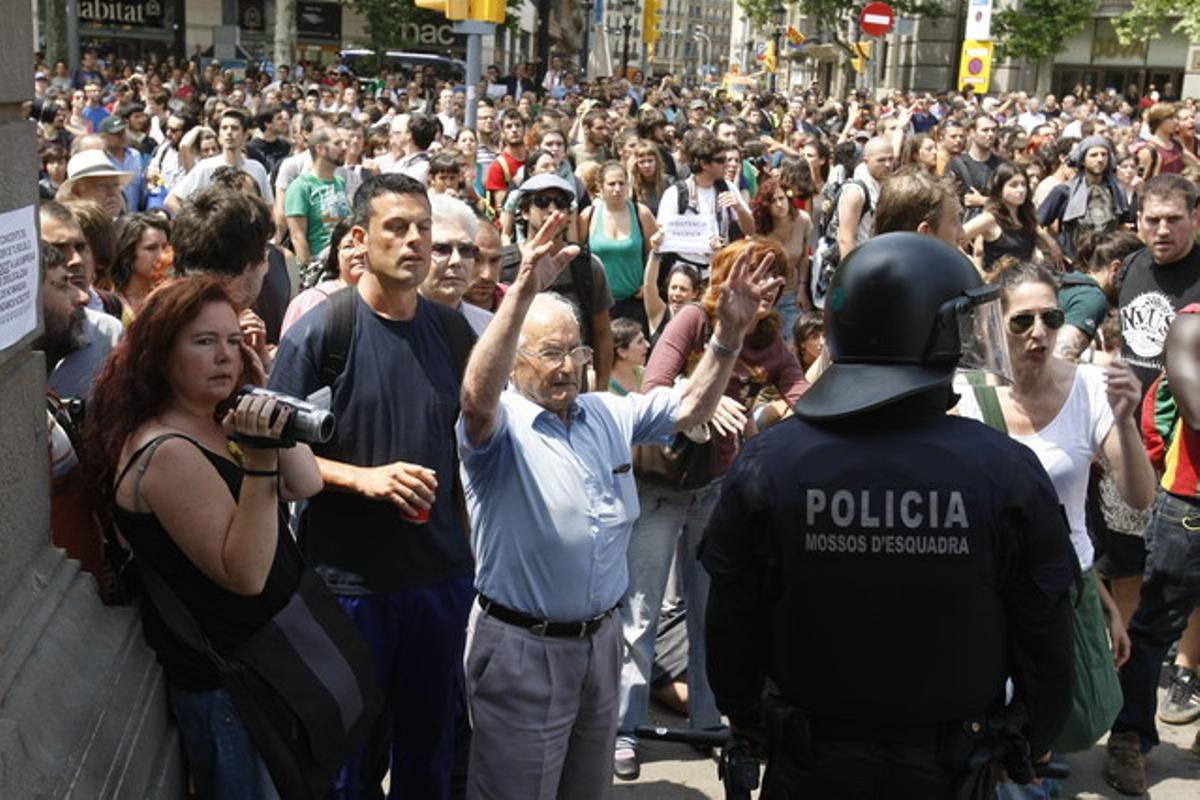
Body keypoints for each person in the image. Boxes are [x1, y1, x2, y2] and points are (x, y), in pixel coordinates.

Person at [703, 232, 1078, 798]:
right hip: (951, 767)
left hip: (809, 760)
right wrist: (1033, 736)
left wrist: (749, 720)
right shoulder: (1004, 470)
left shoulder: (768, 463)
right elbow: (1045, 629)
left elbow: (732, 619)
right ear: (933, 331)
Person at [456, 208, 784, 800]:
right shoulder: (498, 430)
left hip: (599, 647)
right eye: (547, 355)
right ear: (516, 363)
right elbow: (476, 400)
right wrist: (523, 289)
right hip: (524, 652)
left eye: (574, 354)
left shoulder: (606, 412)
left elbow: (689, 410)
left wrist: (729, 335)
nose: (565, 368)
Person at [268, 173, 477, 800]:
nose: (415, 242)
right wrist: (361, 478)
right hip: (349, 589)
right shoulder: (323, 331)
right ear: (360, 237)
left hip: (439, 582)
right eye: (398, 228)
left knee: (430, 753)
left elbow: (476, 445)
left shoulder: (451, 332)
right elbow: (267, 448)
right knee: (348, 762)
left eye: (424, 229)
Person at [83, 277, 324, 798]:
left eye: (234, 341)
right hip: (230, 695)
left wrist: (265, 396)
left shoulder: (216, 419)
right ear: (160, 354)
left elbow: (307, 481)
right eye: (204, 342)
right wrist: (259, 460)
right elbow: (246, 573)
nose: (225, 356)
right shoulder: (166, 449)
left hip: (267, 671)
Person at [616, 237, 809, 780]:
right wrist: (708, 394)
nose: (767, 287)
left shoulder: (771, 337)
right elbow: (652, 389)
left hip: (717, 487)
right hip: (659, 488)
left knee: (711, 611)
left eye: (778, 276)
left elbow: (804, 399)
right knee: (640, 613)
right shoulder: (692, 322)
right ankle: (623, 731)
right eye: (757, 273)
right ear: (728, 273)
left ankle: (706, 719)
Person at [956, 261, 1154, 755]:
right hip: (989, 594)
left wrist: (1127, 422)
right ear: (996, 327)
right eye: (1022, 321)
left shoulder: (1089, 388)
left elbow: (1139, 497)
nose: (1039, 333)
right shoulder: (967, 397)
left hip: (1063, 588)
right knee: (993, 725)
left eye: (1051, 318)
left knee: (1061, 725)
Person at [1104, 302, 1200, 794]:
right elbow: (1196, 409)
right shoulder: (1191, 323)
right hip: (1190, 507)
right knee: (1154, 626)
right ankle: (1129, 736)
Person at [514, 173, 615, 389]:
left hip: (573, 385)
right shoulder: (506, 265)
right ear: (523, 211)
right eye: (542, 202)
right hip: (519, 386)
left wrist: (602, 387)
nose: (552, 210)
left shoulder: (587, 266)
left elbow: (602, 333)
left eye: (560, 203)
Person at [1118, 174, 1200, 394]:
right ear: (1139, 220)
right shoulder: (1131, 265)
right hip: (1129, 420)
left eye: (1173, 219)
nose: (1163, 230)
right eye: (1153, 220)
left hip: (1182, 423)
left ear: (1194, 219)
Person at [580, 160, 658, 328]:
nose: (617, 189)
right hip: (600, 303)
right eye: (611, 184)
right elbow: (578, 256)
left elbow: (656, 254)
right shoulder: (588, 216)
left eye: (621, 183)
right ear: (600, 187)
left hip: (634, 301)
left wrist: (649, 285)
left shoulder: (641, 213)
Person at [1036, 136, 1132, 264]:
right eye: (1093, 155)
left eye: (1104, 154)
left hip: (1107, 262)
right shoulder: (1064, 191)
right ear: (1082, 160)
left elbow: (1123, 226)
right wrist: (1054, 246)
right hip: (1074, 262)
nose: (1100, 159)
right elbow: (1036, 224)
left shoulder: (1117, 191)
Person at [961, 161, 1061, 275]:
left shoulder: (1026, 217)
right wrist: (976, 270)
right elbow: (954, 237)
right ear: (1000, 189)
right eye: (1013, 185)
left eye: (1024, 184)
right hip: (999, 287)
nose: (1021, 190)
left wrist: (1051, 244)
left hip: (1024, 285)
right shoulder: (990, 219)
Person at [418, 193, 494, 336]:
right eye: (441, 249)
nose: (456, 261)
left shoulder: (489, 327)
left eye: (466, 250)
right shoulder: (390, 326)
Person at [284, 126, 351, 267]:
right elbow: (297, 237)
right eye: (337, 144)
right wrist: (309, 272)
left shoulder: (339, 182)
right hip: (319, 268)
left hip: (343, 264)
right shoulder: (301, 187)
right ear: (320, 149)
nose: (344, 147)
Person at [753, 178, 813, 330]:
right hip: (764, 295)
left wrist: (802, 289)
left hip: (791, 293)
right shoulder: (757, 227)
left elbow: (804, 258)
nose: (779, 205)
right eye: (773, 201)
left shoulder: (803, 220)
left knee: (793, 343)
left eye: (782, 198)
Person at [110, 212, 171, 321]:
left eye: (165, 247)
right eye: (151, 248)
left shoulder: (171, 297)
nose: (163, 256)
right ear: (127, 253)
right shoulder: (106, 301)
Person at [58, 148, 132, 219]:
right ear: (77, 192)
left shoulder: (123, 228)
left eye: (116, 185)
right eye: (102, 186)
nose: (112, 192)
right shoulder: (67, 229)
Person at [607, 316, 649, 395]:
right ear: (622, 352)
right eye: (640, 342)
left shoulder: (646, 376)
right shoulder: (599, 382)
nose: (647, 345)